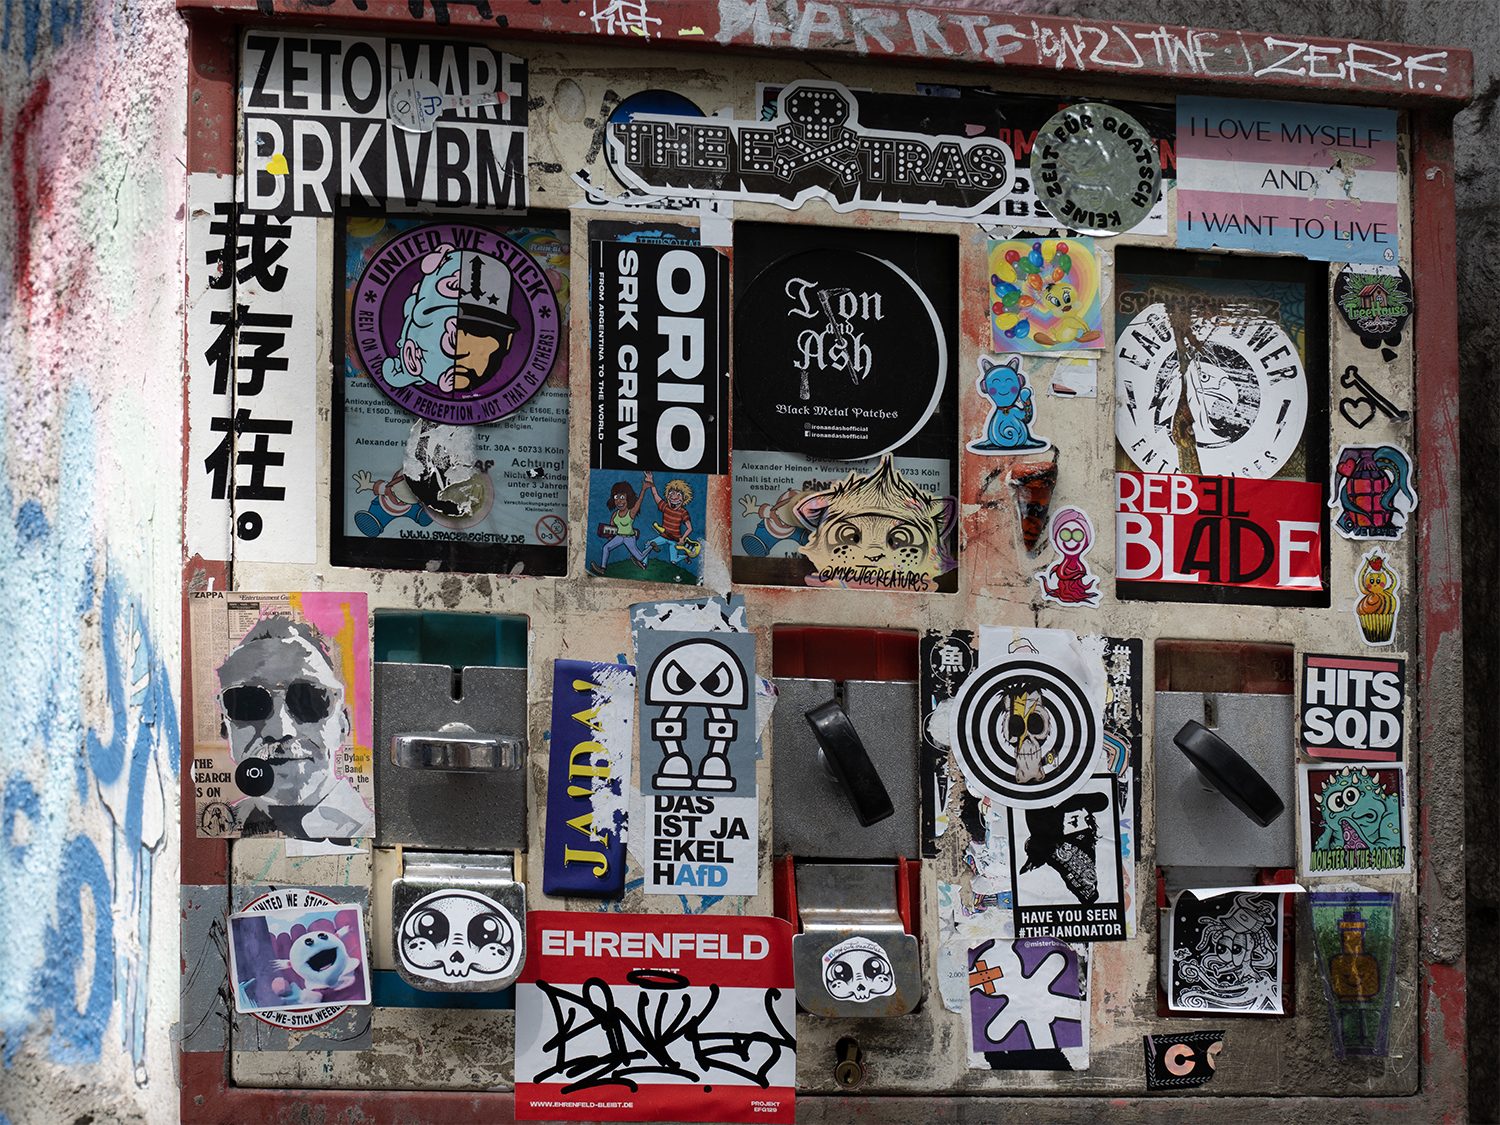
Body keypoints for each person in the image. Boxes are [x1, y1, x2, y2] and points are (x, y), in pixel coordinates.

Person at [216, 615, 374, 840]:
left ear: (342, 724)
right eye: (248, 703)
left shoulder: (367, 828)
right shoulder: (224, 823)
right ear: (225, 726)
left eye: (308, 700)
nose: (280, 731)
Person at [589, 478, 648, 574]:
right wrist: (609, 537)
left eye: (622, 497)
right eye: (616, 498)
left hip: (629, 538)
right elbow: (611, 528)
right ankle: (602, 568)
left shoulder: (631, 513)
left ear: (628, 499)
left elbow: (639, 501)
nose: (619, 501)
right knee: (606, 547)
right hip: (619, 537)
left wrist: (643, 489)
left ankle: (651, 547)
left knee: (640, 557)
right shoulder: (615, 514)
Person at [643, 476, 697, 565]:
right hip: (663, 536)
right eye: (671, 493)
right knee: (648, 544)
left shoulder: (683, 512)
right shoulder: (665, 507)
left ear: (685, 498)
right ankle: (643, 563)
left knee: (673, 561)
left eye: (678, 494)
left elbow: (689, 528)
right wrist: (651, 483)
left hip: (675, 540)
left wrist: (682, 538)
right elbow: (656, 495)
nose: (673, 497)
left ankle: (685, 556)